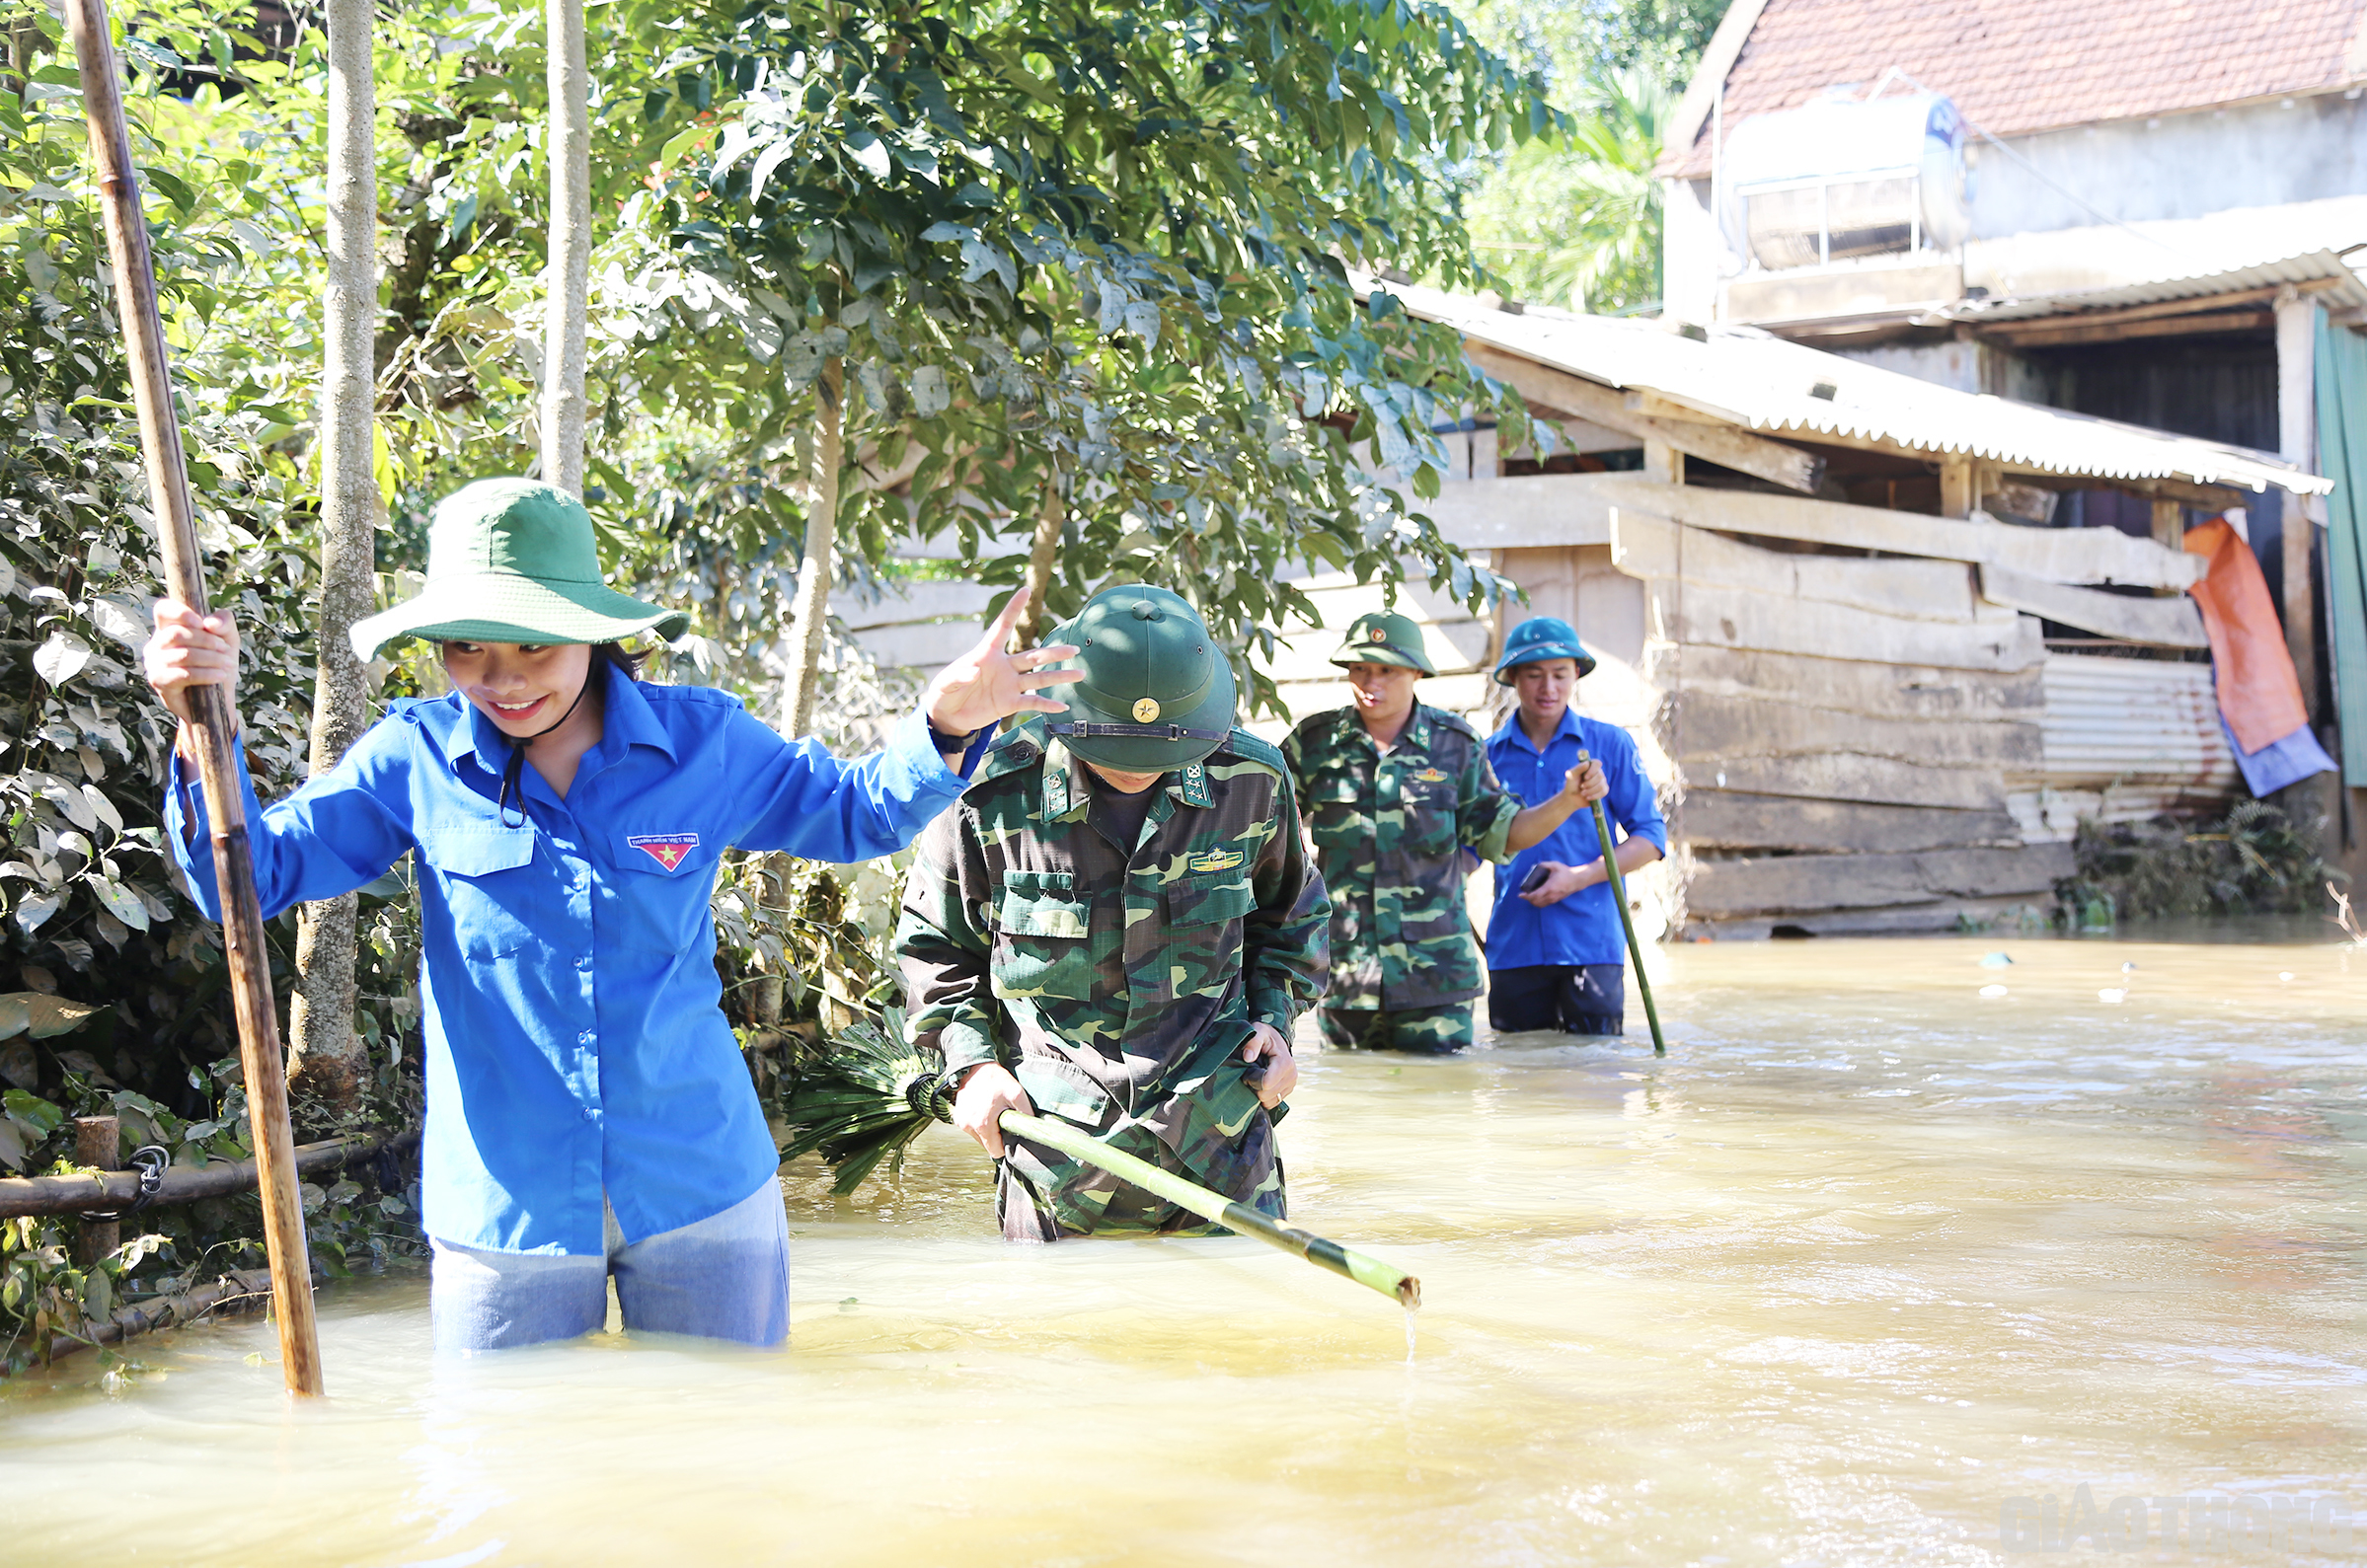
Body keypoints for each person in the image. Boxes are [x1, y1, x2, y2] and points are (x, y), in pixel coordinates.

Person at [141, 477, 1080, 1352]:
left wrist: (947, 725)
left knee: (724, 1471)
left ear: (592, 630)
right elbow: (247, 881)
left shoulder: (701, 741)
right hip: (507, 1207)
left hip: (700, 1177)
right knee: (508, 1481)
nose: (503, 682)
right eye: (469, 649)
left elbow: (853, 812)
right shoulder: (411, 759)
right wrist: (200, 724)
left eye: (532, 648)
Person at [894, 583, 1329, 1240]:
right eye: (1118, 746)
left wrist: (1274, 1022)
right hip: (1055, 1161)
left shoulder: (1251, 782)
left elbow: (1291, 923)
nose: (1138, 768)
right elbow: (933, 949)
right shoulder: (991, 795)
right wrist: (974, 1066)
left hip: (1220, 1143)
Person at [1280, 610, 1605, 1055]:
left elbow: (1505, 832)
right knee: (1355, 1102)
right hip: (1347, 975)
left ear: (1416, 672)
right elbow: (1267, 829)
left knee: (1443, 1106)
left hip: (1437, 978)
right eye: (1360, 668)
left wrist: (1569, 800)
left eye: (1387, 670)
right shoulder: (1313, 744)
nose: (1371, 682)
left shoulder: (1455, 744)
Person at [1484, 615, 1666, 1037]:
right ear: (1512, 678)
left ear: (1577, 676)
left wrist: (1580, 878)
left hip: (1591, 941)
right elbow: (1469, 852)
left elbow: (1651, 839)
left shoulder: (1608, 746)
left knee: (1596, 1077)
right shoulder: (1486, 756)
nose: (1548, 688)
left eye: (1560, 675)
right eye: (1534, 675)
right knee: (1518, 1076)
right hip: (1514, 943)